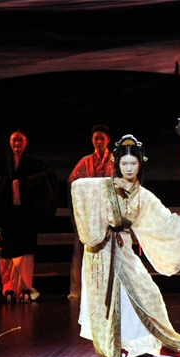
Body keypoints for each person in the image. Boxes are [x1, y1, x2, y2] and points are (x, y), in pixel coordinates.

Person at [71, 134, 180, 357]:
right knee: (112, 302)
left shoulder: (143, 197)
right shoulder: (104, 187)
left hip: (123, 251)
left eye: (133, 163)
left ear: (140, 164)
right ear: (117, 164)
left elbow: (169, 223)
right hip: (101, 252)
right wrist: (99, 222)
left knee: (148, 293)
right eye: (124, 163)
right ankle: (114, 346)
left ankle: (160, 343)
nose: (129, 168)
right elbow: (77, 186)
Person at [0, 130, 58, 303]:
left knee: (26, 253)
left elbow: (48, 178)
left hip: (26, 215)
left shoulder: (34, 165)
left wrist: (21, 185)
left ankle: (25, 288)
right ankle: (8, 288)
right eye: (14, 140)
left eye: (20, 141)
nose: (17, 144)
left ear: (26, 143)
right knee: (6, 253)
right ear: (9, 142)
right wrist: (9, 185)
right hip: (6, 215)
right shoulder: (1, 165)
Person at [67, 124, 115, 299]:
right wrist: (75, 214)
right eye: (96, 138)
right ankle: (90, 287)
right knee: (89, 251)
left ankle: (109, 287)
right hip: (89, 215)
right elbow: (72, 185)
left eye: (102, 138)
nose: (99, 142)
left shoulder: (115, 161)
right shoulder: (85, 162)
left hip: (108, 215)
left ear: (108, 140)